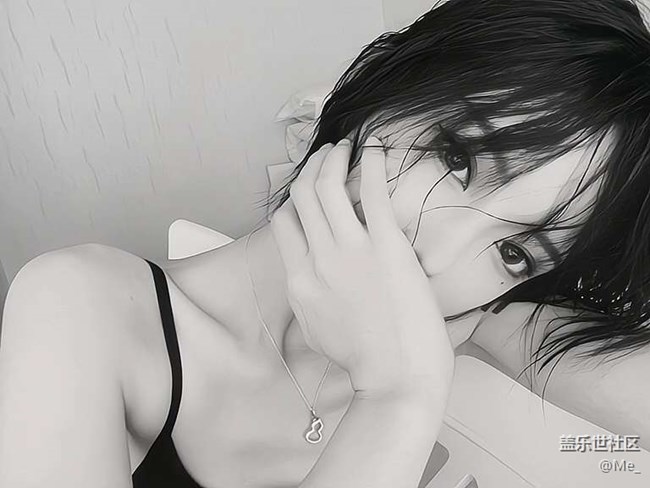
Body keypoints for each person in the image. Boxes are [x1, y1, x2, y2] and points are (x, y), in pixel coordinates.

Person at [2, 0, 650, 486]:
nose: (436, 259)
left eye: (516, 252)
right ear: (383, 96)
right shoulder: (83, 309)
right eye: (458, 156)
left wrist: (433, 355)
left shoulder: (465, 322)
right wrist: (396, 399)